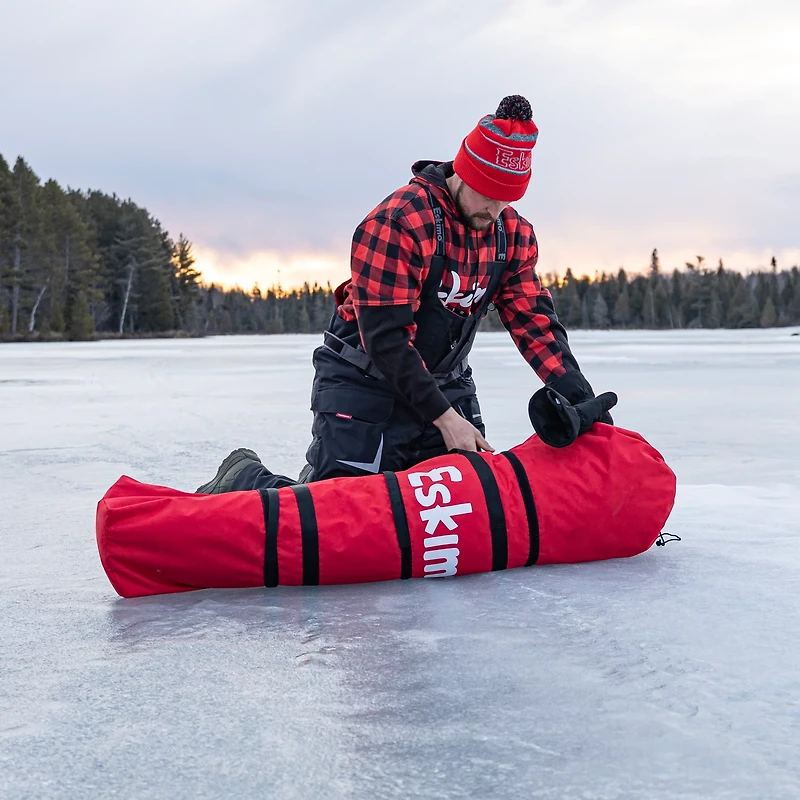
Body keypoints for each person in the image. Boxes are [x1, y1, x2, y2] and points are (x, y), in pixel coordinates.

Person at [196, 94, 612, 495]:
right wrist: (445, 420)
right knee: (342, 512)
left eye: (507, 199)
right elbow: (386, 339)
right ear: (463, 173)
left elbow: (533, 321)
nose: (494, 210)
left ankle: (332, 472)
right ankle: (245, 478)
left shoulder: (511, 233)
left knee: (465, 498)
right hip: (364, 378)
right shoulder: (401, 220)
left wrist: (579, 396)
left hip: (445, 380)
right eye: (487, 194)